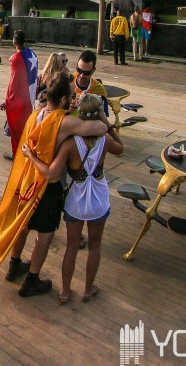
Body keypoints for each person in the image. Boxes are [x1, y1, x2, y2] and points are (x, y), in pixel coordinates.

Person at [0, 73, 108, 295]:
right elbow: (100, 129)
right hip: (47, 187)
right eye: (72, 96)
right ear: (63, 99)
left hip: (28, 182)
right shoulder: (65, 122)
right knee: (45, 234)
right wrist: (95, 112)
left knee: (23, 225)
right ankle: (32, 280)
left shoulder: (36, 116)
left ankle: (14, 265)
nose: (74, 98)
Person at [21, 94, 122, 304]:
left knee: (72, 247)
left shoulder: (70, 144)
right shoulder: (105, 140)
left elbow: (50, 172)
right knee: (95, 246)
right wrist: (108, 124)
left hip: (76, 199)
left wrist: (31, 156)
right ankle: (88, 289)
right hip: (98, 199)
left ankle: (65, 292)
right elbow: (121, 149)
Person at [0, 31, 38, 160]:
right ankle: (26, 150)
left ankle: (17, 153)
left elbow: (14, 82)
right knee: (26, 126)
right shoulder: (32, 54)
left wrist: (7, 101)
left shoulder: (16, 59)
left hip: (19, 98)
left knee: (16, 127)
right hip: (30, 96)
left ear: (14, 42)